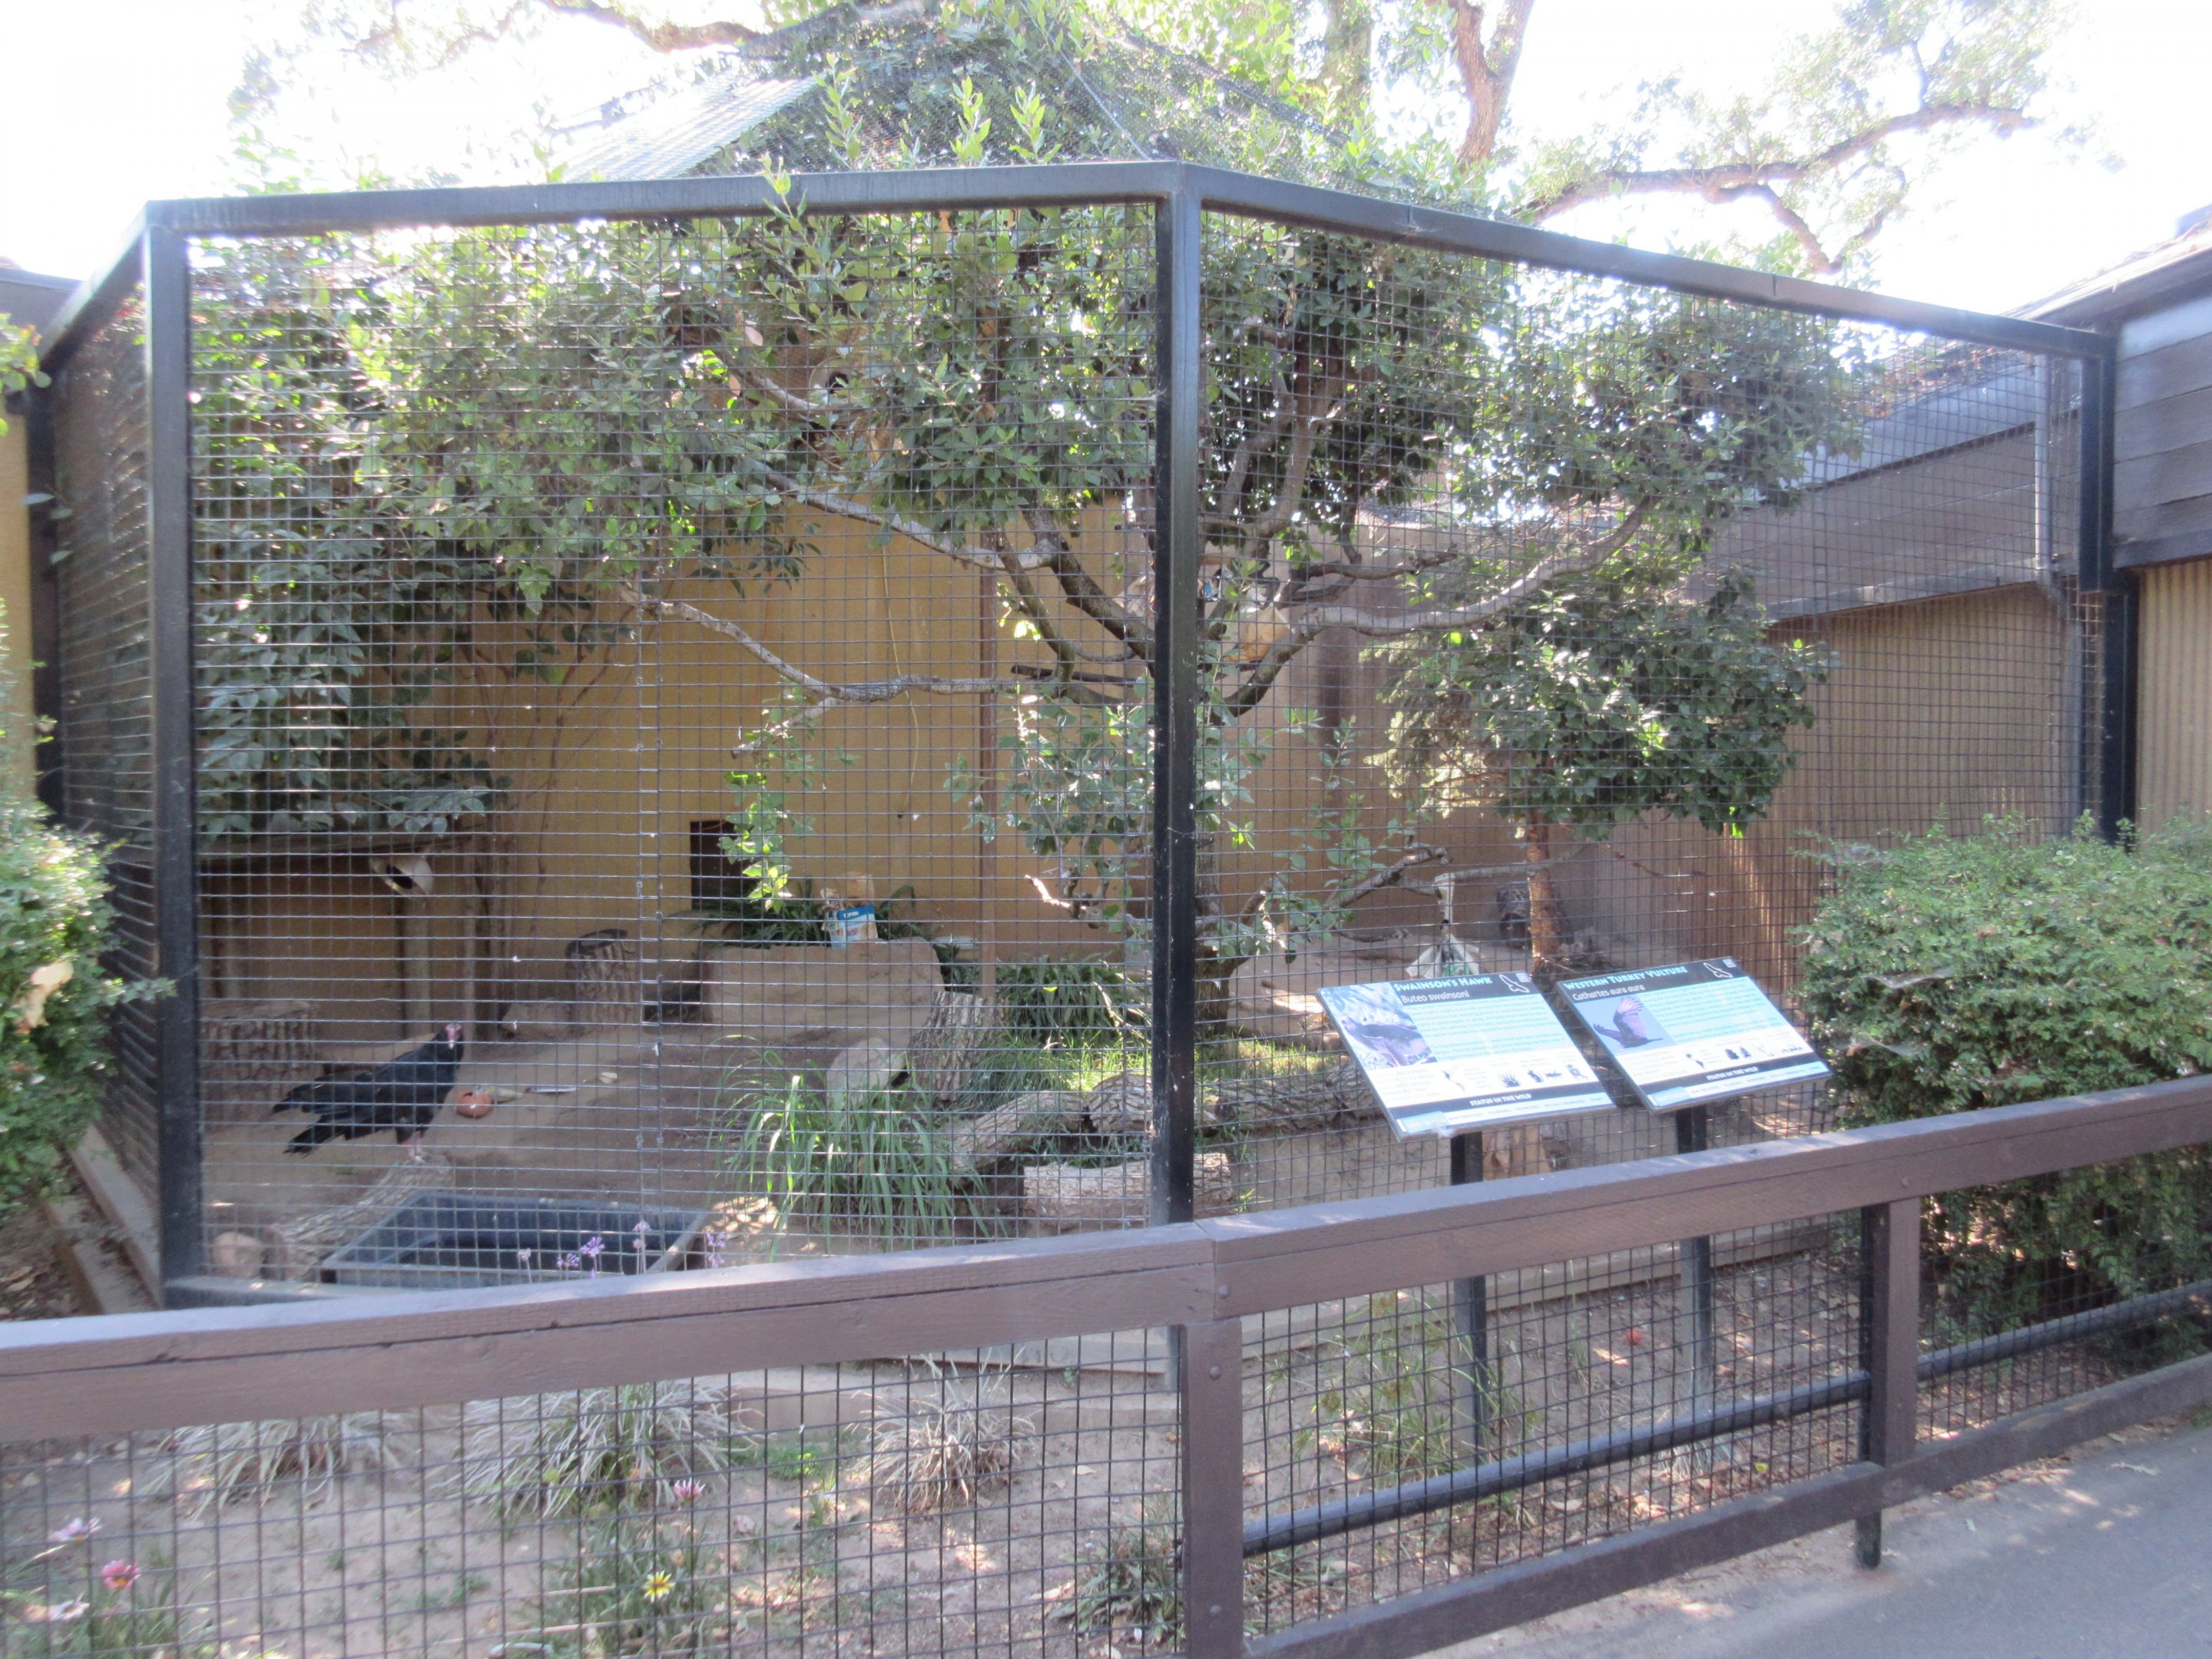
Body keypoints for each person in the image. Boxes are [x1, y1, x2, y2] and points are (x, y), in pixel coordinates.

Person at [1590, 995, 1663, 1049]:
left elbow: (1609, 1033)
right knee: (1617, 1021)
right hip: (1641, 1039)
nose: (1622, 1047)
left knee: (1617, 1020)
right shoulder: (1624, 1039)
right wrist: (1602, 1031)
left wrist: (1601, 1031)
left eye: (1622, 1046)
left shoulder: (1623, 1038)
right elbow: (1611, 1034)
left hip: (1640, 1039)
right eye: (1622, 1046)